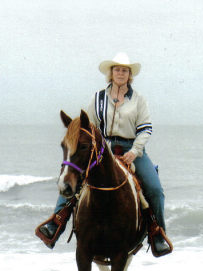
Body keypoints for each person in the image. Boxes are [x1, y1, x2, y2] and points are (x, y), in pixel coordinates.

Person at [37, 52, 172, 257]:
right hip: (103, 149)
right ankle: (57, 221)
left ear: (129, 75)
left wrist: (135, 152)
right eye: (117, 69)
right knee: (73, 178)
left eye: (124, 70)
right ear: (111, 73)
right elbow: (88, 126)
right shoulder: (98, 98)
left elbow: (145, 129)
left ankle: (157, 233)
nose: (120, 73)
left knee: (154, 189)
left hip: (131, 149)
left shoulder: (138, 100)